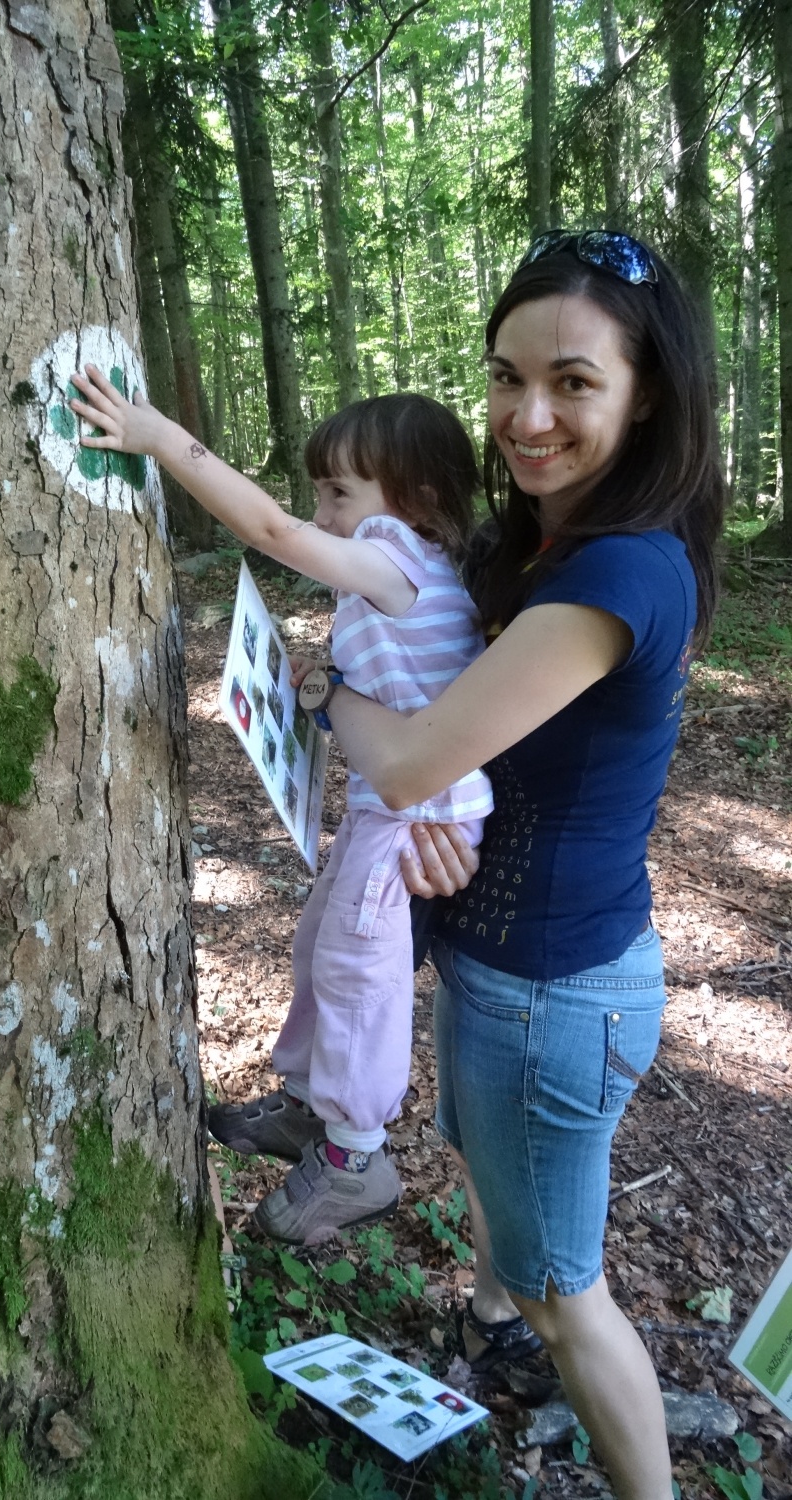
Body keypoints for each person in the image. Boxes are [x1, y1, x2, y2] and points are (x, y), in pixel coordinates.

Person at [322, 231, 725, 1500]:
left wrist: (334, 697)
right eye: (505, 378)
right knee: (498, 1198)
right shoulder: (536, 545)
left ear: (645, 390)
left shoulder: (618, 572)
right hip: (508, 965)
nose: (525, 414)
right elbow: (451, 741)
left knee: (573, 1297)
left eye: (571, 382)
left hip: (556, 993)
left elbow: (407, 758)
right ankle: (494, 1324)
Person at [68, 373, 493, 1243]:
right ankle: (307, 1107)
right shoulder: (405, 575)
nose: (323, 510)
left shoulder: (395, 555)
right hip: (386, 810)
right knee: (319, 949)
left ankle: (357, 1158)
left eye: (339, 491)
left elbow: (269, 530)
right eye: (319, 492)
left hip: (415, 820)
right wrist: (325, 687)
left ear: (411, 500)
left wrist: (160, 439)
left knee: (358, 973)